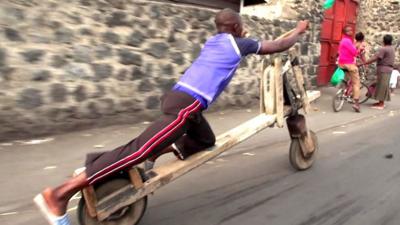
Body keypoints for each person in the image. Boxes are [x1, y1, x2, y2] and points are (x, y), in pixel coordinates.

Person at [33, 8, 309, 225]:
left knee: (205, 140)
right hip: (186, 105)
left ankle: (159, 148)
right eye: (240, 28)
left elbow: (251, 44)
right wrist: (298, 30)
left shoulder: (215, 41)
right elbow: (276, 46)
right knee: (138, 150)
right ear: (236, 28)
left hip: (181, 98)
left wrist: (243, 35)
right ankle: (60, 194)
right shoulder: (239, 43)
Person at [360, 34, 396, 109]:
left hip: (383, 69)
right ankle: (380, 102)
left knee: (382, 86)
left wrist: (364, 63)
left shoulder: (383, 49)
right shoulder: (392, 48)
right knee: (381, 85)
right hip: (388, 69)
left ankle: (381, 104)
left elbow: (375, 58)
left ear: (384, 41)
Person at [338, 25, 361, 112]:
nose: (351, 32)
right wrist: (358, 47)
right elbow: (355, 53)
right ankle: (356, 104)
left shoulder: (342, 40)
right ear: (345, 32)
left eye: (351, 30)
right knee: (356, 83)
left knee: (348, 78)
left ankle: (345, 90)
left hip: (341, 64)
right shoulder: (348, 41)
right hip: (349, 64)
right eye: (349, 31)